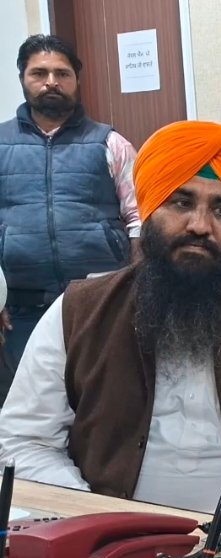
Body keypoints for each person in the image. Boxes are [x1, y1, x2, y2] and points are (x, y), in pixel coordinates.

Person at [0, 120, 221, 526]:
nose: (199, 225)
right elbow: (24, 439)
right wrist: (96, 515)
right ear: (149, 211)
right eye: (181, 203)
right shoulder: (78, 310)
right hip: (105, 534)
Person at [0, 34, 141, 383]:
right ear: (22, 78)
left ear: (77, 80)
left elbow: (140, 218)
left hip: (100, 304)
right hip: (21, 310)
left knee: (106, 397)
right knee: (31, 405)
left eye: (62, 73)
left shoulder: (110, 143)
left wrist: (137, 290)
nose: (51, 82)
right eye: (39, 73)